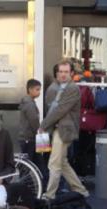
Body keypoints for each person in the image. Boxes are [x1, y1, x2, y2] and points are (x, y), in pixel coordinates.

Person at [39, 60, 89, 200]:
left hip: (64, 131)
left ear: (72, 74)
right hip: (57, 129)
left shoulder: (72, 88)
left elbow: (60, 110)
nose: (62, 74)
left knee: (54, 164)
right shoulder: (60, 87)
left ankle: (49, 195)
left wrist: (43, 125)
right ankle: (81, 190)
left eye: (66, 72)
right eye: (60, 72)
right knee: (62, 162)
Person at [18, 79, 45, 173]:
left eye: (40, 90)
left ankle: (39, 182)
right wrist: (39, 131)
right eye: (37, 89)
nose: (39, 92)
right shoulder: (29, 104)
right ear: (30, 89)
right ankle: (25, 184)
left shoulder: (29, 102)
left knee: (35, 162)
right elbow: (34, 121)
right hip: (29, 138)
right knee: (28, 164)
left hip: (28, 138)